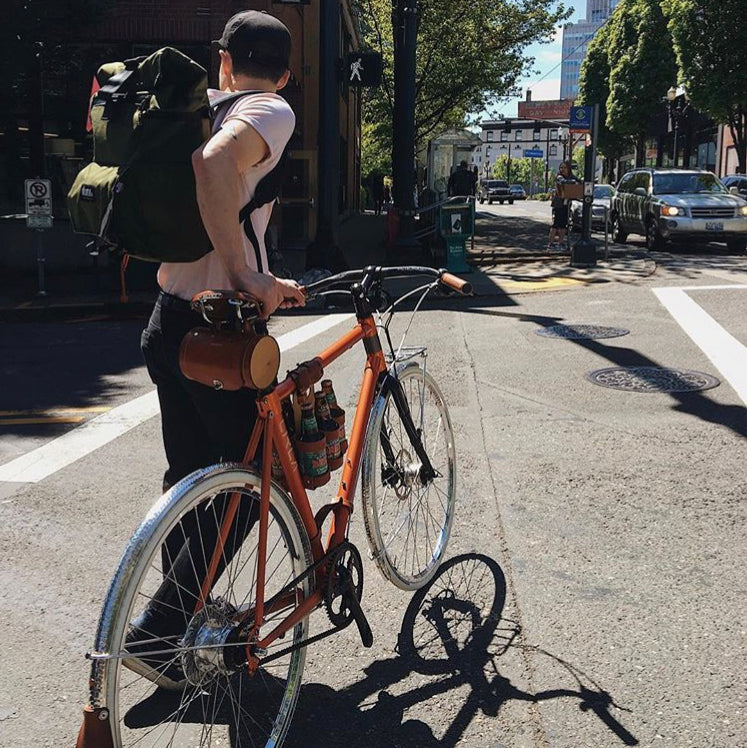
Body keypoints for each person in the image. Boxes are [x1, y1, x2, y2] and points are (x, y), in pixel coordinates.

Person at [131, 9, 305, 686]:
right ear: (286, 72)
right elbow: (214, 166)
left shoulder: (194, 106)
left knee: (193, 482)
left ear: (222, 59)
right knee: (253, 488)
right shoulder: (269, 109)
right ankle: (161, 629)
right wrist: (249, 277)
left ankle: (181, 618)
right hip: (219, 334)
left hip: (166, 320)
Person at [548, 161, 574, 251]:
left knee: (563, 225)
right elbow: (563, 182)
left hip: (566, 204)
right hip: (558, 204)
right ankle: (551, 244)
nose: (563, 169)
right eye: (561, 168)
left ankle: (560, 243)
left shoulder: (571, 177)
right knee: (556, 224)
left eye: (564, 168)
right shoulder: (559, 177)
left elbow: (577, 181)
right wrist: (572, 182)